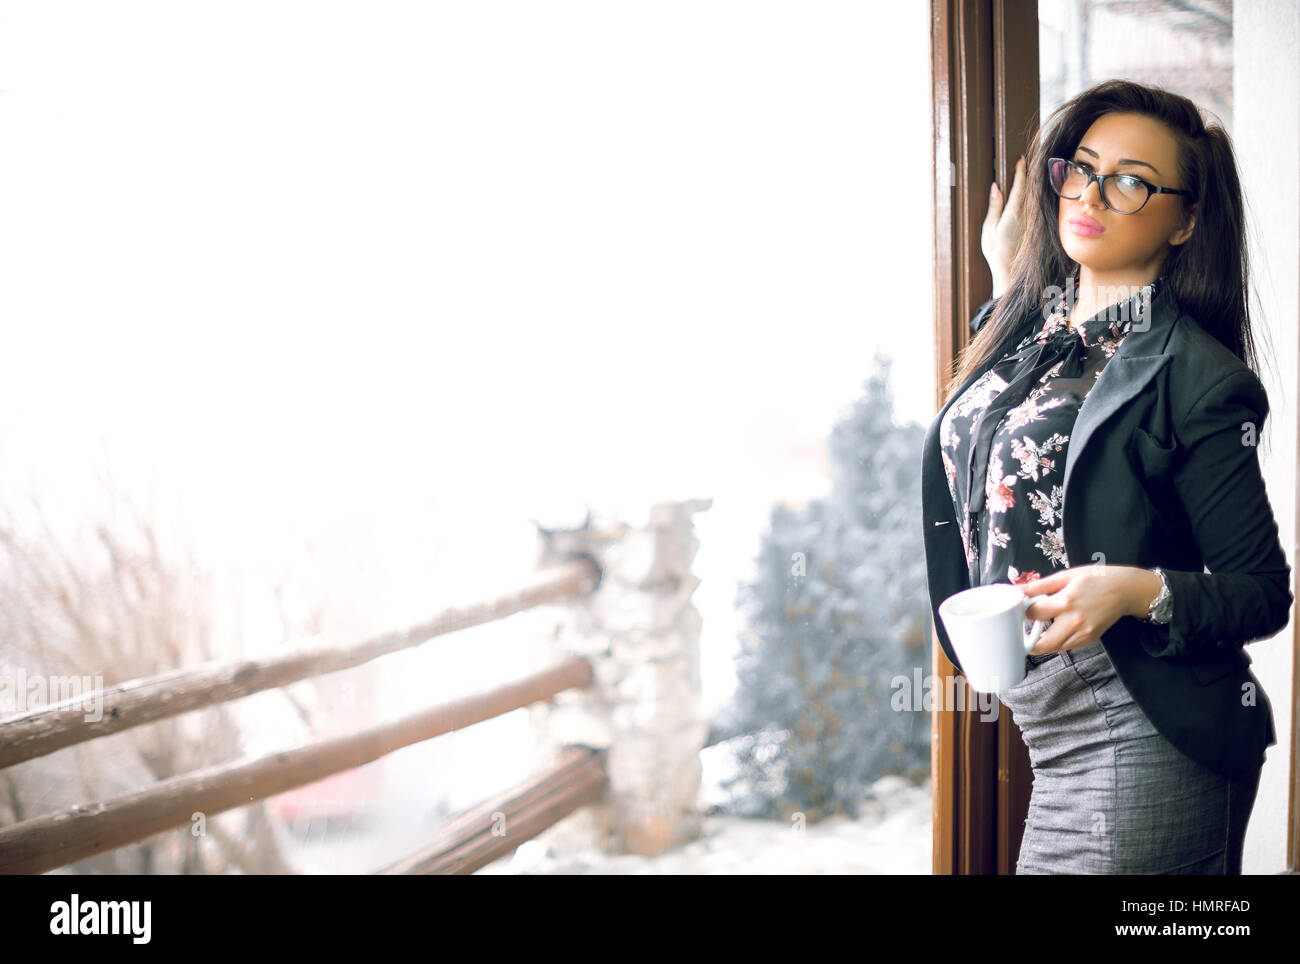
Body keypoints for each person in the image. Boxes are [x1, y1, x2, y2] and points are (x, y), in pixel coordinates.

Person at [920, 79, 1293, 874]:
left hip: (1141, 733)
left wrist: (1130, 591)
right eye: (1082, 169)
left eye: (1131, 181)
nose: (1091, 195)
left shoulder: (1199, 378)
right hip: (1048, 729)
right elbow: (1025, 422)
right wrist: (1007, 265)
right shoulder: (1033, 337)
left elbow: (1261, 591)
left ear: (1186, 220)